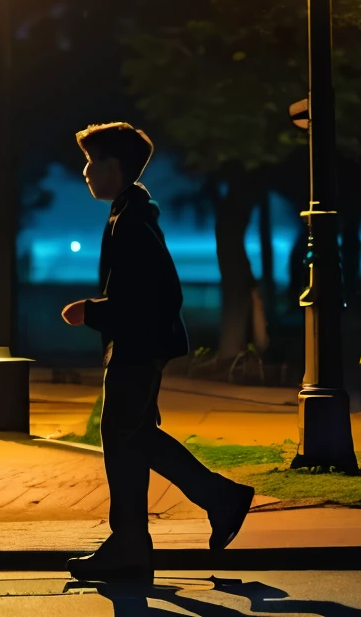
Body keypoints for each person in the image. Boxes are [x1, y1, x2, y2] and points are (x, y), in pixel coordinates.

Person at [61, 122, 255, 584]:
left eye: (91, 163)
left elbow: (158, 297)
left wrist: (91, 310)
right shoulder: (129, 214)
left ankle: (214, 502)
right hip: (140, 345)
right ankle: (131, 545)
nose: (85, 172)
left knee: (126, 436)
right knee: (130, 438)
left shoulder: (132, 222)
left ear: (113, 167)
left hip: (138, 347)